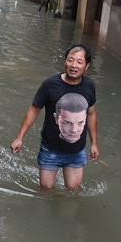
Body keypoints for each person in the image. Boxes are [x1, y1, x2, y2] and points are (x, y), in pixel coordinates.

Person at [11, 44, 98, 190]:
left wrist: (94, 143)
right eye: (70, 60)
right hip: (50, 149)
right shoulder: (50, 85)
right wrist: (20, 137)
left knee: (74, 189)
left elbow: (91, 113)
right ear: (65, 61)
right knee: (46, 189)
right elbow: (34, 109)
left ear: (86, 66)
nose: (73, 65)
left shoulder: (89, 86)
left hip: (76, 151)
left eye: (79, 62)